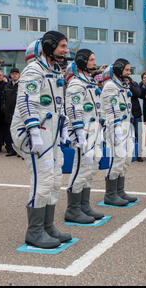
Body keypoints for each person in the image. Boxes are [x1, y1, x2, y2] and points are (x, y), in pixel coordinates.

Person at [10, 32, 72, 249]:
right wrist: (34, 131)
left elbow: (57, 104)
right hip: (34, 133)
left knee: (55, 179)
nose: (66, 50)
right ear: (49, 46)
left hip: (51, 133)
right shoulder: (34, 70)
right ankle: (34, 231)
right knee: (43, 179)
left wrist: (64, 128)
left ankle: (48, 226)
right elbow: (27, 101)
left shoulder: (54, 72)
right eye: (62, 46)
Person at [64, 49, 105, 224]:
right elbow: (74, 109)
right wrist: (79, 132)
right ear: (82, 62)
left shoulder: (90, 83)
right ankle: (73, 209)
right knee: (80, 168)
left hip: (94, 132)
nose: (94, 63)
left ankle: (84, 205)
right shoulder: (76, 84)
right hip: (84, 133)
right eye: (91, 60)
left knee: (90, 168)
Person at [100, 58, 138, 206]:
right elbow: (111, 109)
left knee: (126, 159)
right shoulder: (110, 86)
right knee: (117, 159)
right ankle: (110, 194)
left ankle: (120, 191)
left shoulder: (122, 86)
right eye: (126, 70)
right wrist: (116, 128)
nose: (129, 73)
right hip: (115, 127)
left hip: (126, 126)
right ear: (118, 69)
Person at [1, 68, 20, 156]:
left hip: (19, 112)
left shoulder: (22, 85)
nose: (14, 75)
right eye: (13, 74)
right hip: (8, 112)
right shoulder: (7, 85)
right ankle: (11, 149)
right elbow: (3, 99)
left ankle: (20, 151)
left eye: (16, 73)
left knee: (19, 132)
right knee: (10, 132)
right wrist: (4, 109)